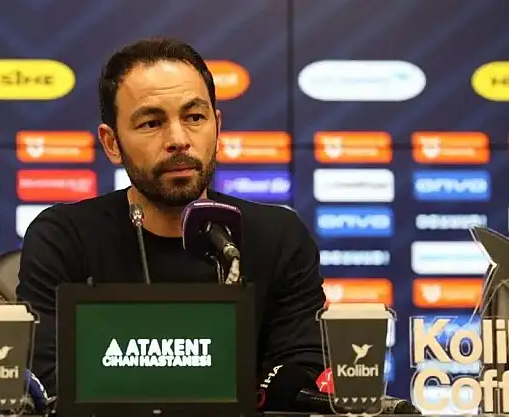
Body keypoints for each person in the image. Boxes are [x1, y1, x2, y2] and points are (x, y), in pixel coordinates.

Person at [17, 36, 326, 410]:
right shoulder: (64, 239)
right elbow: (46, 388)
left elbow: (301, 378)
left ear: (217, 126)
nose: (179, 140)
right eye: (151, 122)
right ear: (112, 143)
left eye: (195, 118)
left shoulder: (279, 238)